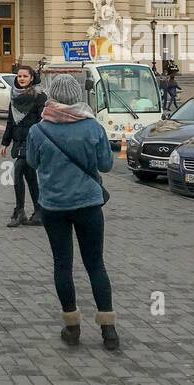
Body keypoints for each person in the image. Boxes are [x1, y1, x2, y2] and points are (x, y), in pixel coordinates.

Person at [27, 74, 118, 351]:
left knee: (62, 265)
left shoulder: (39, 130)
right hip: (88, 204)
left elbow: (32, 161)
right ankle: (109, 330)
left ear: (53, 96)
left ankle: (72, 326)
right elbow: (106, 165)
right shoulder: (92, 127)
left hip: (54, 205)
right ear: (77, 95)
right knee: (95, 265)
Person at [0, 65, 46, 226]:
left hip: (32, 140)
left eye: (25, 76)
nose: (21, 79)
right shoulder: (14, 96)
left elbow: (43, 120)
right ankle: (39, 211)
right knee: (30, 177)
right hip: (19, 141)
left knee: (18, 170)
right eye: (19, 76)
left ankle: (19, 211)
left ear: (32, 78)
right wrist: (5, 142)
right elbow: (10, 120)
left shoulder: (39, 96)